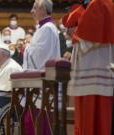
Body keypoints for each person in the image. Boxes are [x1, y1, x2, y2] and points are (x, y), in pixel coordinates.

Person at [66, 0, 114, 135]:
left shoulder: (98, 3)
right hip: (98, 67)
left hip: (93, 69)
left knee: (92, 118)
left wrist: (73, 32)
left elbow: (88, 38)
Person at [23, 0, 60, 70]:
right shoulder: (43, 27)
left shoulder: (47, 28)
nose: (31, 11)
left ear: (43, 10)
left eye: (34, 8)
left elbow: (41, 55)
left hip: (45, 75)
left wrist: (26, 48)